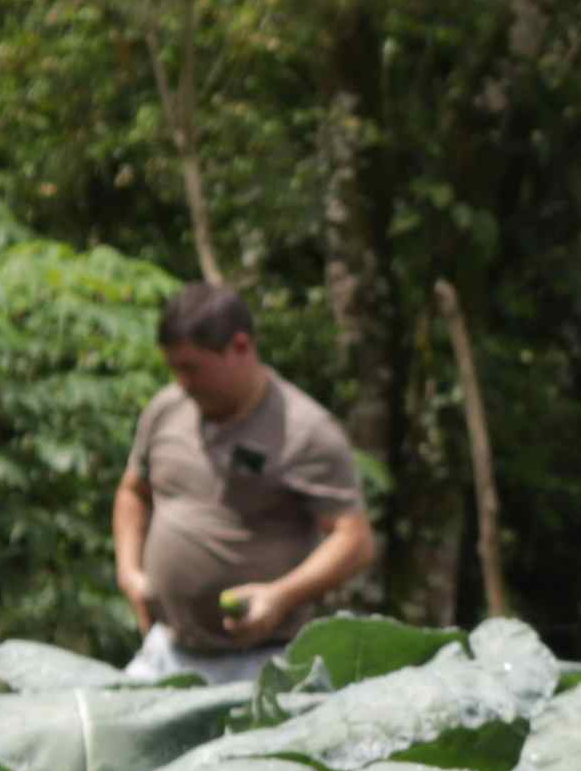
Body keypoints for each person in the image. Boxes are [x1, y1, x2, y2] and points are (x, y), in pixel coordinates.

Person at [111, 283, 380, 687]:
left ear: (240, 347)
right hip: (167, 652)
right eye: (174, 369)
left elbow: (354, 541)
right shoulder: (166, 410)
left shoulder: (305, 431)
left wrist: (281, 595)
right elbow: (133, 491)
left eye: (192, 367)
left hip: (262, 665)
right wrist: (129, 572)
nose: (182, 382)